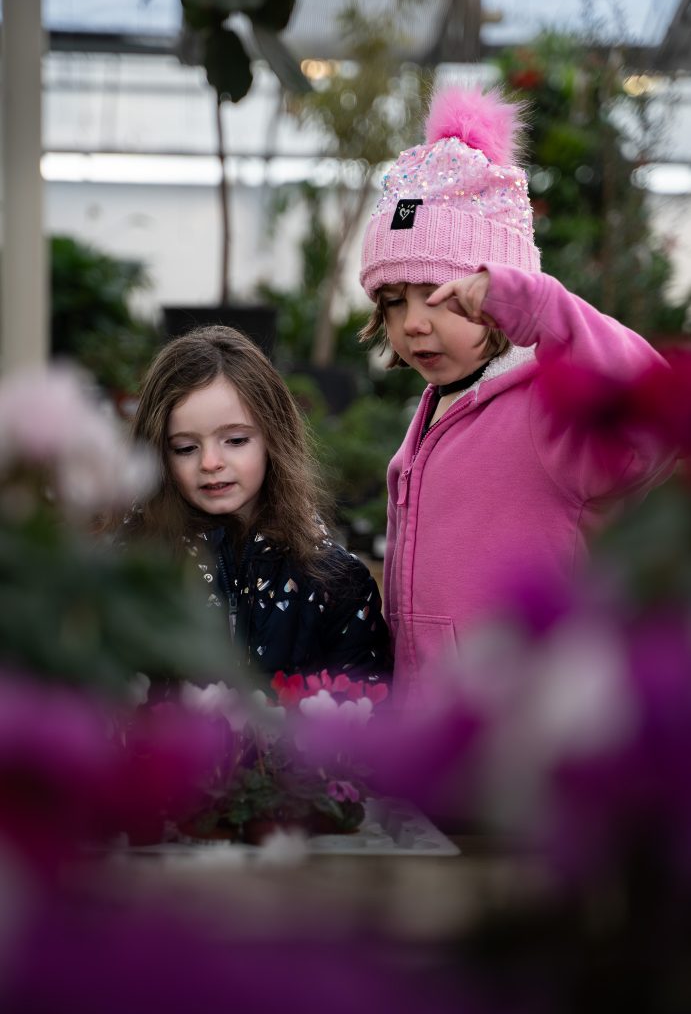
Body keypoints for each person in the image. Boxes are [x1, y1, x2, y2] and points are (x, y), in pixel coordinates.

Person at [358, 84, 676, 706]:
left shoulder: (547, 412)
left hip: (531, 731)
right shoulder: (437, 407)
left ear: (500, 293)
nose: (413, 323)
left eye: (439, 295)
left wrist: (542, 306)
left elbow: (647, 408)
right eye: (393, 302)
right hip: (441, 731)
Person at [124, 325, 392, 685]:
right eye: (186, 448)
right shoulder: (133, 569)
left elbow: (366, 721)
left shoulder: (336, 581)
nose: (210, 462)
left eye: (235, 440)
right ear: (158, 453)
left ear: (273, 437)